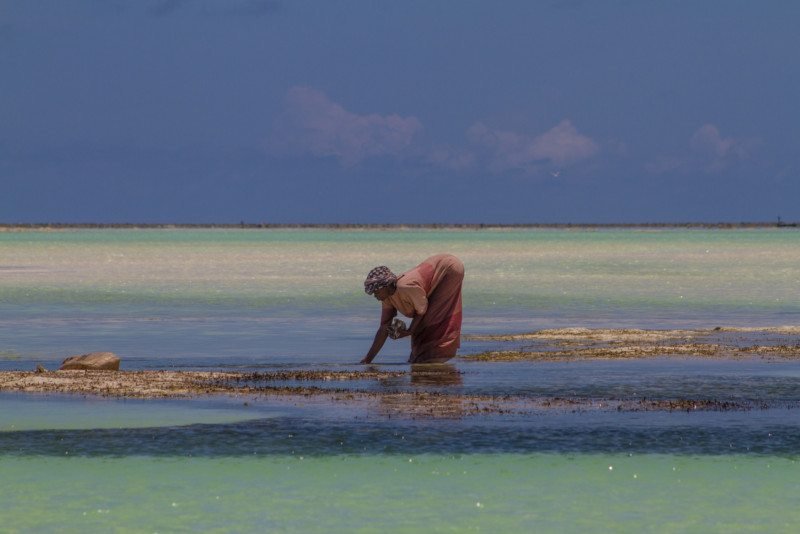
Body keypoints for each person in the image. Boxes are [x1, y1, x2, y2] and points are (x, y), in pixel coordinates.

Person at [361, 254, 464, 364]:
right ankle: (423, 357)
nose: (375, 295)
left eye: (376, 292)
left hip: (449, 268)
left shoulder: (405, 287)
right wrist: (368, 359)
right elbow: (384, 327)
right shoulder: (387, 297)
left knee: (431, 319)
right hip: (440, 268)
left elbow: (421, 310)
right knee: (420, 326)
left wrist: (409, 331)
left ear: (386, 286)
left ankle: (437, 355)